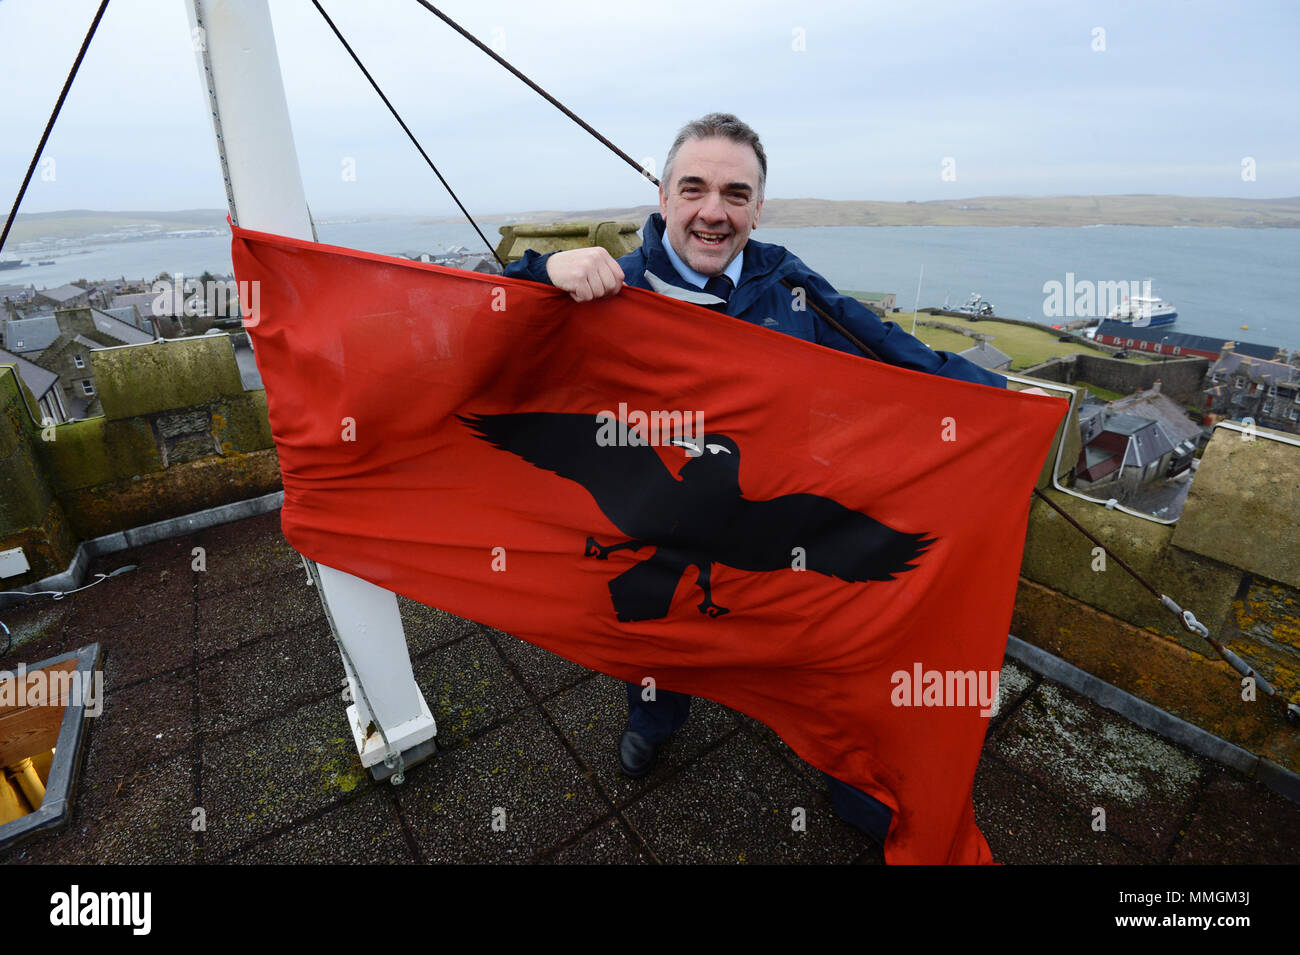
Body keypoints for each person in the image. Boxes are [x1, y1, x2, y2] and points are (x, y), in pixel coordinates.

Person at [504, 112, 1009, 844]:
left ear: (758, 206)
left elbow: (894, 354)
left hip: (768, 524)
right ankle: (654, 718)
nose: (715, 211)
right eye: (695, 188)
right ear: (663, 194)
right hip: (658, 523)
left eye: (736, 193)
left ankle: (852, 773)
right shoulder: (612, 290)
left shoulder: (787, 286)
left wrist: (1000, 411)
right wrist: (538, 271)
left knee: (818, 652)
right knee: (657, 638)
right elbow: (471, 322)